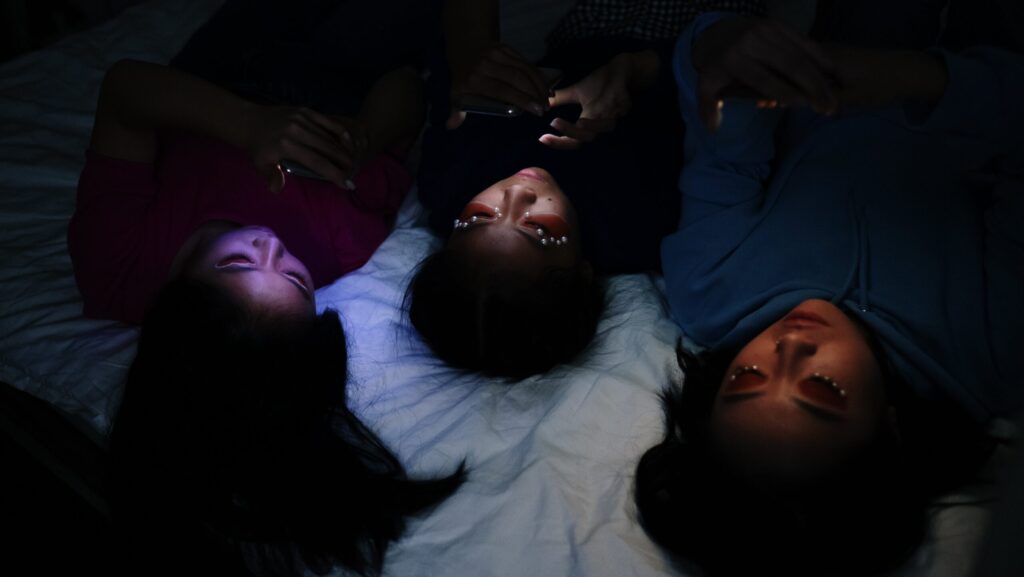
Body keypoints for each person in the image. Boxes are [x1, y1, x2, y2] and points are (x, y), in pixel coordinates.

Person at [66, 2, 464, 573]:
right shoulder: (340, 242)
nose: (272, 248)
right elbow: (407, 90)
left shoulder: (118, 267)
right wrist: (365, 136)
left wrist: (250, 124)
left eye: (236, 266)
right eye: (298, 280)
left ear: (175, 307)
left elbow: (126, 91)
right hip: (341, 88)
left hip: (215, 77)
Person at [634, 11, 1023, 576]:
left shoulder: (710, 292)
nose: (788, 347)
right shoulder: (993, 351)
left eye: (747, 378)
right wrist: (921, 79)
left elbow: (721, 140)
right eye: (822, 387)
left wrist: (726, 50)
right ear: (889, 428)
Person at [408, 0, 764, 378]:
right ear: (582, 274)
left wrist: (472, 59)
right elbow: (719, 100)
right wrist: (638, 71)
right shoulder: (636, 221)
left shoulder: (448, 182)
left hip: (588, 24)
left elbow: (450, 69)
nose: (515, 195)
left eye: (479, 217)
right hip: (694, 33)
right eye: (538, 230)